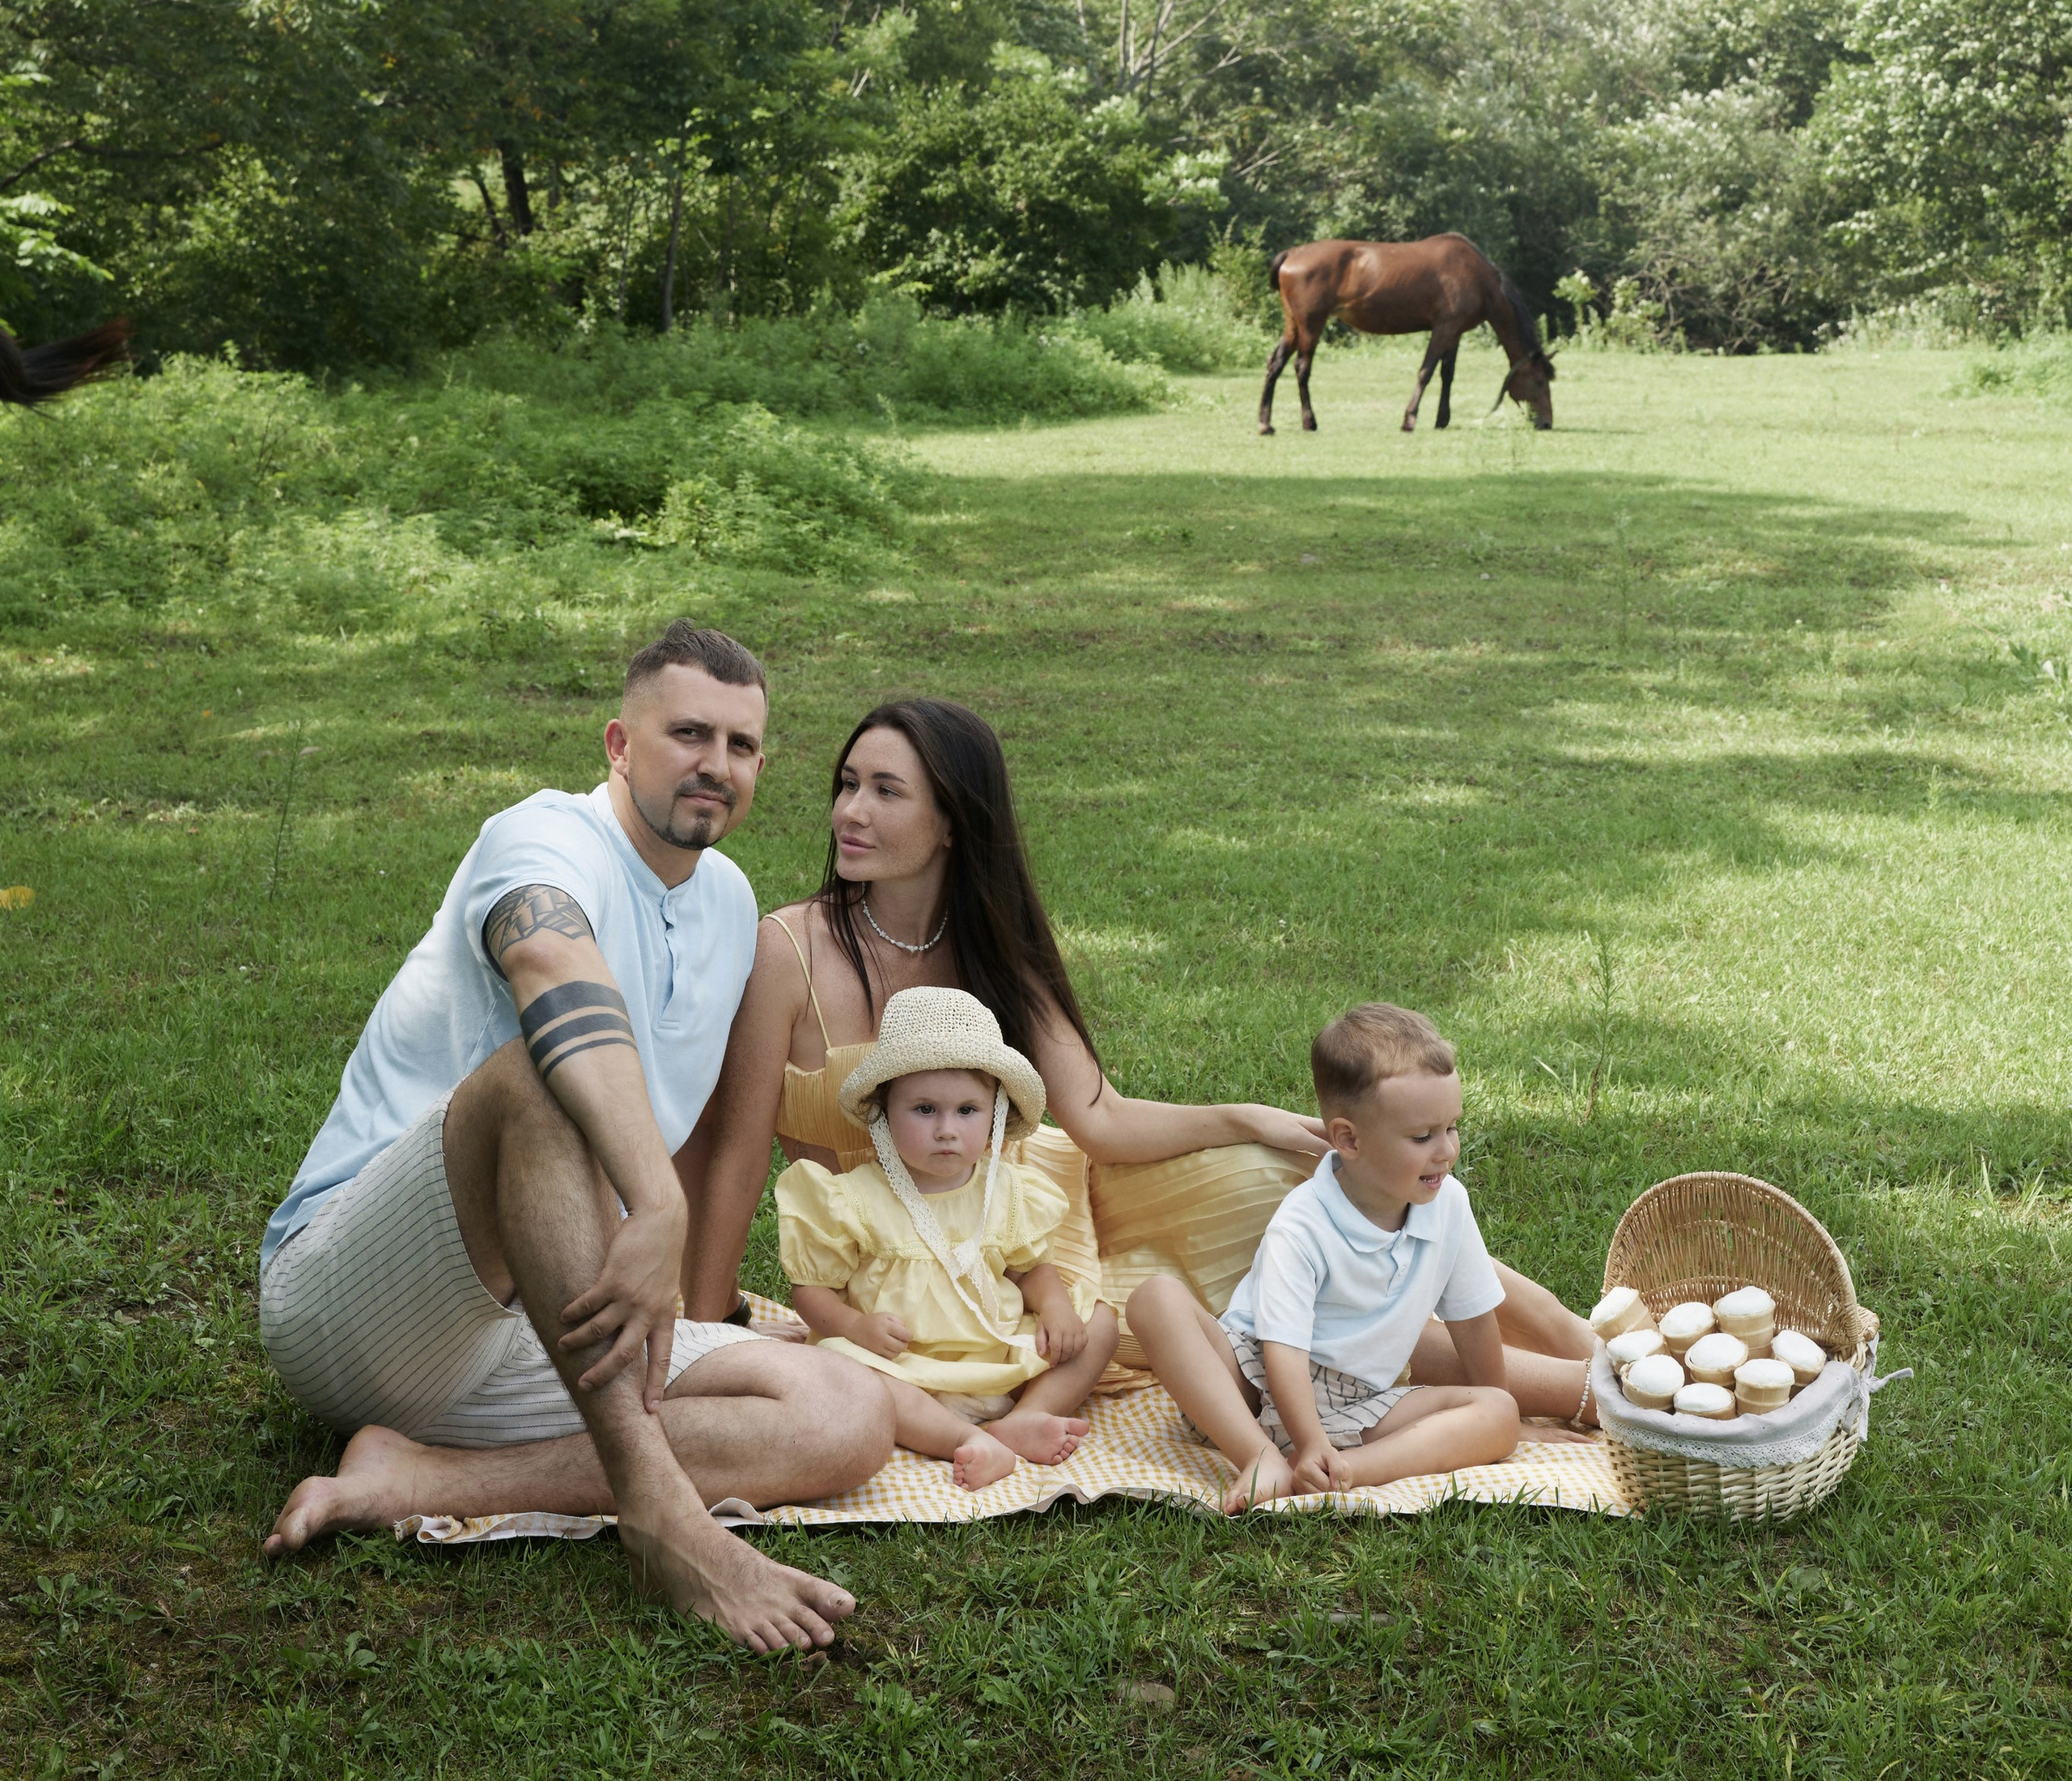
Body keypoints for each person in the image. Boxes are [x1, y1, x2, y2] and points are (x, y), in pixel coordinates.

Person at [258, 623, 894, 1655]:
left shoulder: (729, 904)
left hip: (546, 1323)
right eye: (689, 732)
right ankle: (659, 1513)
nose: (715, 765)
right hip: (360, 1296)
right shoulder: (541, 839)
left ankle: (416, 1477)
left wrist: (705, 1318)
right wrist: (659, 1205)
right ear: (618, 742)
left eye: (742, 745)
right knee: (538, 1076)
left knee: (847, 1412)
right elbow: (555, 976)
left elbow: (690, 1126)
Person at [684, 697, 1599, 1413]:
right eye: (847, 783)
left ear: (953, 820)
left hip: (1042, 1191)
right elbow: (733, 1151)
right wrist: (706, 1323)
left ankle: (1576, 1335)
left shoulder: (992, 947)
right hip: (949, 1265)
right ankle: (1580, 1392)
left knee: (1290, 1179)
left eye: (886, 790)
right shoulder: (788, 948)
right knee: (1268, 1289)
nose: (850, 809)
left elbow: (1101, 1117)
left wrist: (1244, 1119)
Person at [1128, 1003, 1562, 1508]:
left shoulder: (1448, 1205)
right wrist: (1308, 1439)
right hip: (1250, 1381)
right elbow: (1282, 1349)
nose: (1445, 1150)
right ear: (1348, 1139)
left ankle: (1342, 1471)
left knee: (1495, 1412)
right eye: (1422, 1136)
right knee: (1154, 1299)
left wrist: (1504, 1413)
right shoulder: (1303, 1222)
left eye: (1451, 1128)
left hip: (1361, 1402)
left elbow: (1472, 1321)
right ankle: (1260, 1456)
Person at [778, 987, 1121, 1490]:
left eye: (967, 1111)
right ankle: (962, 1438)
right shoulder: (852, 1199)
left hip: (997, 1357)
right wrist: (855, 1328)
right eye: (924, 1110)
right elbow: (810, 1293)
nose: (946, 1130)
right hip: (904, 1368)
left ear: (996, 1115)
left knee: (1101, 1323)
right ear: (883, 1113)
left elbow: (1031, 1271)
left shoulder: (1004, 1191)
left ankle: (1026, 1415)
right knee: (847, 1372)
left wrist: (1055, 1309)